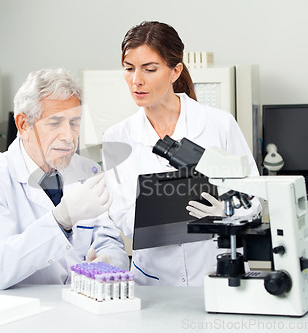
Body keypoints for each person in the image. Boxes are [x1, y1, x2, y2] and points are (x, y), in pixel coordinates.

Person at [102, 21, 261, 286]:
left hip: (215, 270)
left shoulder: (218, 124)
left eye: (149, 69)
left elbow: (253, 197)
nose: (136, 80)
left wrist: (225, 211)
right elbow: (121, 211)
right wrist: (164, 219)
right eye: (129, 69)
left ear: (175, 71)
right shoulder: (117, 138)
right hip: (154, 279)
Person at [0, 68, 129, 290]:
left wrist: (107, 262)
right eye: (55, 123)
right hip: (21, 314)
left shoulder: (85, 170)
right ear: (23, 124)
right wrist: (60, 220)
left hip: (81, 305)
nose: (69, 136)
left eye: (74, 123)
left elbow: (110, 241)